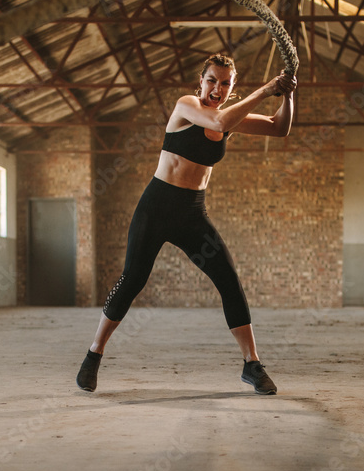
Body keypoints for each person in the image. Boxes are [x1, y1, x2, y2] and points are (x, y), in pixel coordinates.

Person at [76, 53, 297, 395]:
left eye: (226, 83)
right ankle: (94, 353)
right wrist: (268, 89)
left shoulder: (230, 115)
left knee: (228, 279)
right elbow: (219, 123)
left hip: (192, 214)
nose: (218, 88)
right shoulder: (186, 105)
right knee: (132, 279)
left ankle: (252, 364)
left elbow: (279, 128)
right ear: (201, 81)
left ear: (233, 88)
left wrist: (289, 94)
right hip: (156, 207)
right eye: (212, 80)